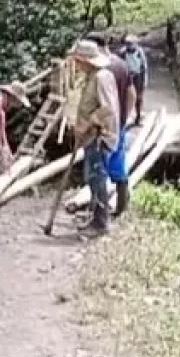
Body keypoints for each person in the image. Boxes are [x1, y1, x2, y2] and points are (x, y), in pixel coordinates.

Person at [69, 39, 120, 236]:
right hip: (91, 137)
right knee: (91, 177)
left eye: (78, 60)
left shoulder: (101, 78)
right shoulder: (93, 77)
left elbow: (107, 108)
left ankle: (101, 222)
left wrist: (88, 123)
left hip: (100, 136)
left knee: (97, 178)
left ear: (85, 61)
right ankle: (96, 217)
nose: (76, 64)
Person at [84, 32, 136, 216]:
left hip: (101, 127)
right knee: (118, 164)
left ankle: (98, 212)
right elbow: (131, 94)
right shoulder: (121, 64)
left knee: (97, 170)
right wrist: (125, 117)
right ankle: (121, 206)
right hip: (118, 123)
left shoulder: (102, 69)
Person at [120, 34, 149, 120]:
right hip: (127, 76)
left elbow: (144, 66)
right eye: (128, 43)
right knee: (125, 96)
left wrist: (144, 80)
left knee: (139, 97)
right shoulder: (123, 52)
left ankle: (138, 115)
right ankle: (125, 115)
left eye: (131, 43)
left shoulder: (139, 52)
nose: (129, 45)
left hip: (138, 76)